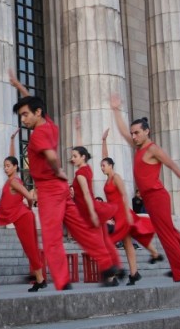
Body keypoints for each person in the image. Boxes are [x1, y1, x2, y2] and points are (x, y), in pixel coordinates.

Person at [10, 70, 118, 290]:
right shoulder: (48, 124)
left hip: (50, 189)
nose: (23, 119)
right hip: (61, 190)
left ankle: (62, 281)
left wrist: (58, 169)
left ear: (37, 113)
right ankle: (107, 265)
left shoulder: (39, 134)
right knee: (81, 230)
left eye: (25, 115)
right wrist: (19, 87)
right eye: (21, 115)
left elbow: (50, 155)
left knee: (51, 238)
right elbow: (34, 102)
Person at [111, 94, 180, 282]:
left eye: (137, 133)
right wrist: (116, 110)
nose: (133, 136)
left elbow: (173, 166)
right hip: (149, 198)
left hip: (157, 196)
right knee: (170, 232)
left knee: (166, 234)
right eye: (133, 133)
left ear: (146, 131)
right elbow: (122, 132)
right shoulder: (138, 148)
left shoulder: (153, 149)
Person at [101, 128, 163, 286]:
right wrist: (103, 141)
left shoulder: (116, 178)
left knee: (109, 241)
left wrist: (127, 215)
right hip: (116, 214)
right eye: (101, 166)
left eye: (104, 166)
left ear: (110, 166)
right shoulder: (108, 177)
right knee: (128, 243)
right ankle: (134, 273)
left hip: (122, 213)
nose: (102, 168)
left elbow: (124, 195)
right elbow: (105, 157)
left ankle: (112, 276)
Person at [70, 117, 121, 286]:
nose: (72, 158)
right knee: (104, 241)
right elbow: (80, 150)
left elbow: (85, 193)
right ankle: (113, 274)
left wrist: (92, 214)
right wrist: (78, 131)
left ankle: (110, 272)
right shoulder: (86, 168)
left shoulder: (80, 174)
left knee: (97, 243)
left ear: (82, 157)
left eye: (75, 156)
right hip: (93, 209)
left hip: (89, 210)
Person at [0, 128, 46, 292]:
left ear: (15, 167)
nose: (6, 168)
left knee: (30, 247)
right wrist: (12, 140)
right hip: (22, 217)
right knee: (30, 247)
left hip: (23, 217)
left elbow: (30, 196)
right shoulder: (14, 178)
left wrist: (29, 208)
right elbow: (12, 158)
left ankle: (40, 279)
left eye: (8, 166)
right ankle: (40, 278)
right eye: (4, 166)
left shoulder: (14, 182)